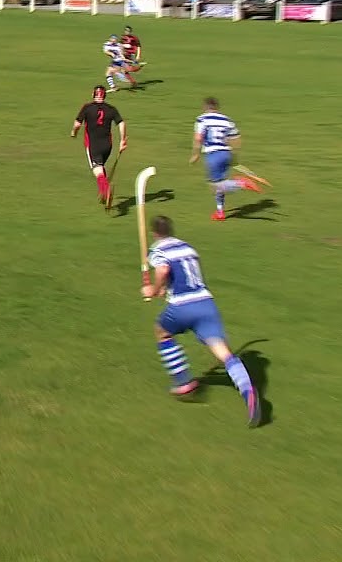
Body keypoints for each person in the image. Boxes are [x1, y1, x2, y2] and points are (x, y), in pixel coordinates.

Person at [141, 215, 261, 427]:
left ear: (154, 233)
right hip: (206, 303)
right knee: (224, 353)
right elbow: (186, 276)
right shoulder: (188, 248)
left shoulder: (158, 249)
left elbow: (163, 269)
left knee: (161, 331)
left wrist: (154, 289)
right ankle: (248, 391)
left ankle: (182, 381)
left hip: (182, 306)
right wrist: (164, 289)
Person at [189, 97, 266, 220]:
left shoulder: (202, 119)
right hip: (226, 153)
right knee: (221, 183)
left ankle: (241, 183)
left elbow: (198, 138)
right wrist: (234, 156)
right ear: (217, 107)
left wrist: (195, 154)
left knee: (215, 186)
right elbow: (236, 138)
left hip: (213, 154)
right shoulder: (226, 119)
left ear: (205, 107)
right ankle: (220, 212)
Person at [71, 85, 127, 204]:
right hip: (108, 146)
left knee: (97, 171)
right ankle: (103, 192)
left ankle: (106, 191)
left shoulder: (87, 108)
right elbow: (121, 123)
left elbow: (77, 125)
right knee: (100, 167)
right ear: (104, 95)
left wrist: (73, 133)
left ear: (93, 95)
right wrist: (122, 140)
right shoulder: (111, 109)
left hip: (93, 145)